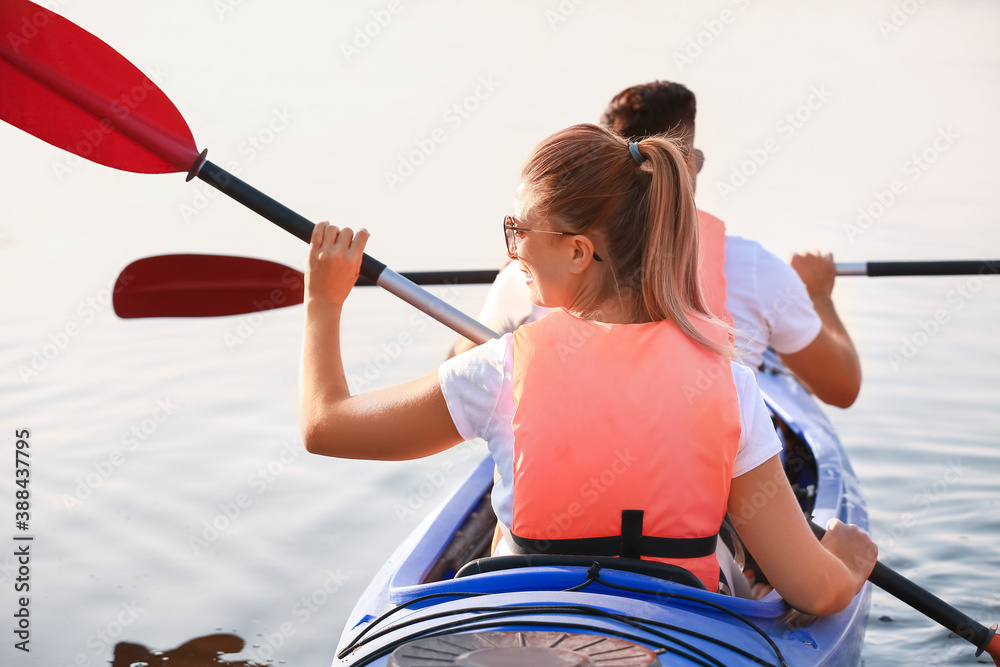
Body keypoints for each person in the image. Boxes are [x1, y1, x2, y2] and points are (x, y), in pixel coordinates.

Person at [299, 123, 877, 615]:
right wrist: (847, 567)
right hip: (677, 629)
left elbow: (325, 426)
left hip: (520, 622)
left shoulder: (500, 368)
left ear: (579, 251)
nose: (511, 250)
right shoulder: (730, 385)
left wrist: (323, 303)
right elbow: (811, 589)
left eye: (518, 230)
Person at [452, 81, 862, 409]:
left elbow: (458, 370)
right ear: (684, 167)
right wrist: (818, 297)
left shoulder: (527, 279)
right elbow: (841, 389)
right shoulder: (757, 272)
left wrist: (521, 262)